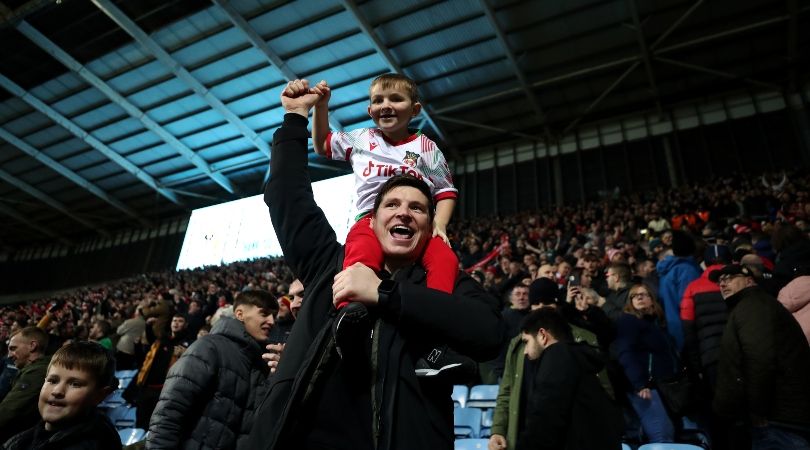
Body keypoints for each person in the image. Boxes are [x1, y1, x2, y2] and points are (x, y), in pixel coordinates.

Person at [248, 80, 506, 450]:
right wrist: (295, 118)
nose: (404, 211)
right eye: (392, 204)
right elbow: (286, 194)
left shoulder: (449, 281)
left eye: (417, 207)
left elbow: (490, 333)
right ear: (371, 219)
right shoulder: (330, 265)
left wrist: (385, 295)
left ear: (429, 222)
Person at [310, 73, 459, 336]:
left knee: (445, 258)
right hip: (369, 220)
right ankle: (349, 316)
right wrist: (321, 107)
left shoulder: (427, 148)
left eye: (396, 98)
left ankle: (438, 324)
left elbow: (446, 190)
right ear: (370, 110)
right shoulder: (361, 138)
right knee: (360, 254)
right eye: (378, 100)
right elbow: (322, 145)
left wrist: (440, 225)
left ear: (415, 109)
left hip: (414, 226)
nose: (386, 105)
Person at [147, 290, 279, 449]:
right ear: (239, 314)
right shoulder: (209, 347)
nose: (272, 321)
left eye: (274, 316)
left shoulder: (263, 362)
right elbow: (169, 413)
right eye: (264, 314)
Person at [710, 264, 810, 449]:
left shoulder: (753, 307)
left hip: (777, 418)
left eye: (730, 278)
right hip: (780, 414)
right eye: (720, 281)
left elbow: (760, 360)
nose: (723, 284)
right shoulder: (749, 306)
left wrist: (757, 411)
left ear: (749, 280)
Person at [514, 308, 621, 450]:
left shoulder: (557, 356)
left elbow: (545, 420)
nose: (525, 351)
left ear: (542, 335)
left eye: (526, 342)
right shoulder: (578, 360)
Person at [1, 341, 121, 450]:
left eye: (75, 384)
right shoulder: (24, 439)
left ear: (99, 396)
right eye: (52, 381)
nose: (57, 391)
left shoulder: (92, 443)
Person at [614, 283, 678, 443]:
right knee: (661, 434)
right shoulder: (628, 322)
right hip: (645, 388)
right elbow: (626, 353)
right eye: (635, 295)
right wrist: (640, 384)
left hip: (661, 385)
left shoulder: (654, 323)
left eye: (644, 294)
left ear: (652, 299)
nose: (640, 297)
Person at [133, 312, 191, 429]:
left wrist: (185, 354)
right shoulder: (163, 339)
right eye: (174, 320)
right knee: (141, 423)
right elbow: (148, 353)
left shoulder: (187, 344)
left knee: (157, 426)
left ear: (186, 325)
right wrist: (148, 327)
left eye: (180, 321)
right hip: (147, 388)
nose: (176, 323)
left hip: (165, 392)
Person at [0, 327, 52, 443]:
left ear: (32, 346)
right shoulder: (37, 369)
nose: (9, 355)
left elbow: (8, 411)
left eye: (13, 348)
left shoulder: (37, 373)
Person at [656, 230, 701, 349]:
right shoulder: (686, 270)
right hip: (687, 332)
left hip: (673, 330)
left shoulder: (668, 269)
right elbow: (689, 304)